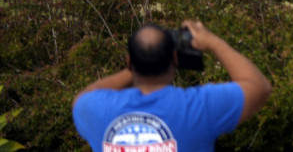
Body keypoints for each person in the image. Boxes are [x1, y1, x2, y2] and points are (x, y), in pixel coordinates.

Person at [72, 20, 272, 152]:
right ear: (175, 58)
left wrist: (141, 62)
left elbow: (85, 95)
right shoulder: (198, 108)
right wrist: (212, 42)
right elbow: (258, 86)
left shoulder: (95, 109)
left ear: (129, 62)